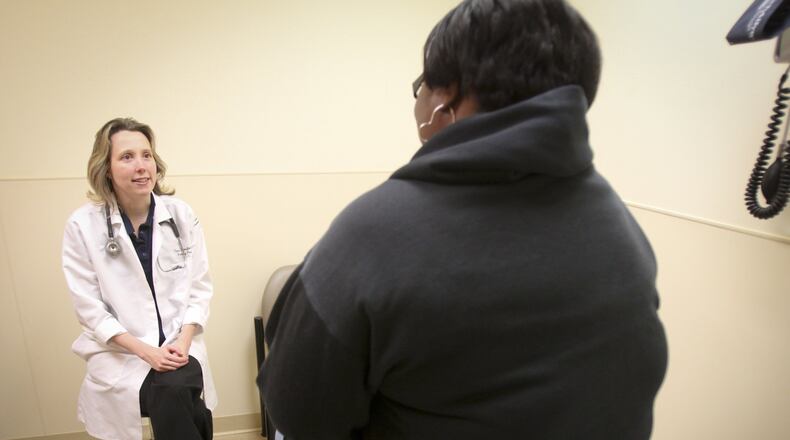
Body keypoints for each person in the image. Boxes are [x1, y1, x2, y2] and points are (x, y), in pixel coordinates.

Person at [258, 0, 668, 439]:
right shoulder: (621, 229)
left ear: (446, 96)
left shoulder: (372, 234)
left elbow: (298, 412)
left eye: (420, 86)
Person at [62, 118, 217, 440]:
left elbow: (199, 290)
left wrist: (181, 342)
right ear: (106, 167)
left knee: (175, 387)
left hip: (179, 343)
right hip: (121, 353)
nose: (141, 166)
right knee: (177, 393)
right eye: (127, 157)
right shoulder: (82, 226)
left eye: (146, 155)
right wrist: (146, 352)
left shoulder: (181, 215)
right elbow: (89, 310)